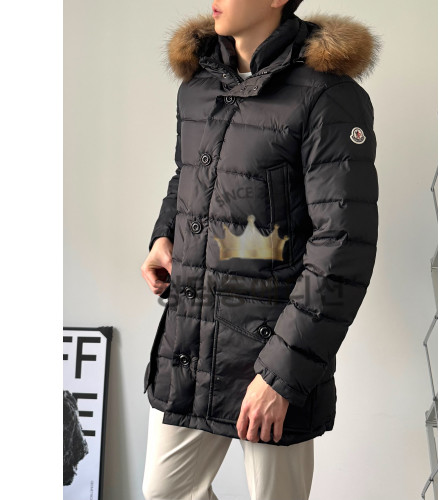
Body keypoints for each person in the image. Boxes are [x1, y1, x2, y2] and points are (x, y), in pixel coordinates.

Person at [140, 0, 380, 498]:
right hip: (191, 339)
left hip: (272, 345)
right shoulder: (198, 88)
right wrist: (164, 237)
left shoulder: (329, 97)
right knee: (164, 491)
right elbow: (186, 178)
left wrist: (281, 376)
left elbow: (342, 247)